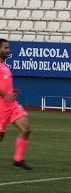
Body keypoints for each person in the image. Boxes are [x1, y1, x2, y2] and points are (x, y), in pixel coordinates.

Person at [0, 39, 32, 170]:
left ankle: (18, 159)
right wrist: (4, 94)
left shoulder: (4, 66)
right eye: (5, 48)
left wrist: (10, 92)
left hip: (12, 105)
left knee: (26, 129)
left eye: (8, 48)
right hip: (1, 106)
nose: (8, 50)